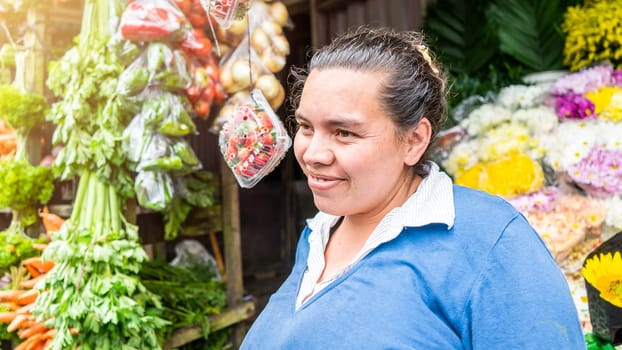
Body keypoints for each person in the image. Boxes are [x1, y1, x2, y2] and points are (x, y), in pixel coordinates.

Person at [241, 25, 586, 349]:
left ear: (414, 140)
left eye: (344, 132)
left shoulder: (490, 243)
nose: (313, 153)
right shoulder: (319, 234)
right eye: (305, 127)